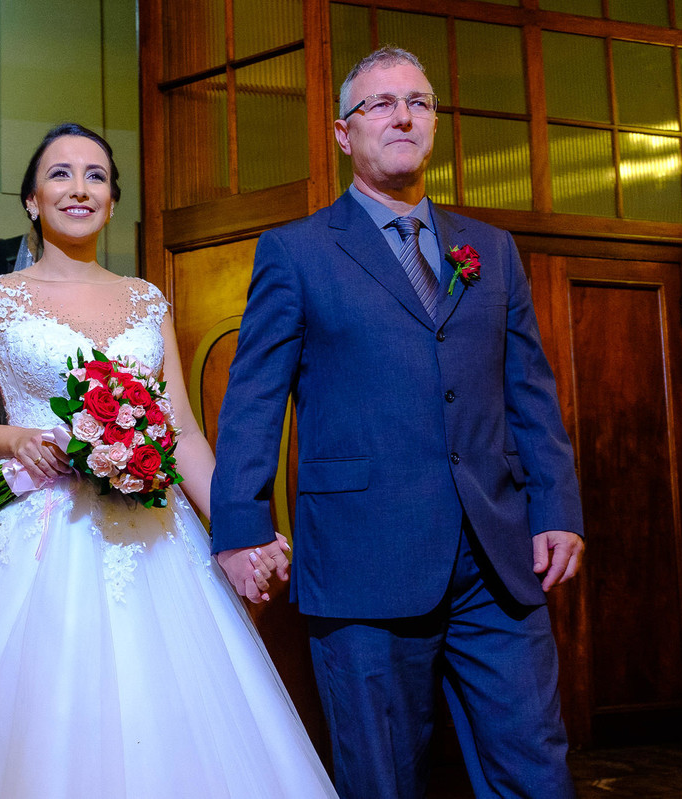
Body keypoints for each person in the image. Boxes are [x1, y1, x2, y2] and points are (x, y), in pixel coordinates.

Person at [0, 123, 339, 798]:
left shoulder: (146, 300)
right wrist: (15, 439)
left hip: (148, 528)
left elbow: (182, 431)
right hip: (29, 525)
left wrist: (240, 526)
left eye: (96, 175)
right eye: (61, 174)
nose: (80, 188)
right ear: (33, 201)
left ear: (111, 199)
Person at [210, 47, 586, 799]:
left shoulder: (493, 251)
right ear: (344, 134)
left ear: (435, 123)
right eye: (380, 104)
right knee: (380, 778)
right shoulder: (296, 251)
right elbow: (254, 401)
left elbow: (531, 395)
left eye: (418, 100)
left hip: (496, 560)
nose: (403, 115)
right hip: (361, 560)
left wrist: (557, 508)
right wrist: (239, 527)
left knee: (536, 766)